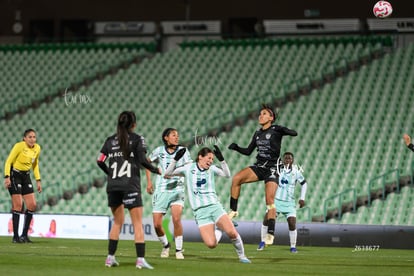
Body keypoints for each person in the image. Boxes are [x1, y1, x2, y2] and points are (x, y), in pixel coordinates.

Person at [164, 145, 251, 264]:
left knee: (232, 233)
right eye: (209, 158)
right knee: (211, 244)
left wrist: (222, 160)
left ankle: (242, 256)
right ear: (200, 157)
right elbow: (168, 173)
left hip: (214, 206)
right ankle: (219, 228)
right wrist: (175, 159)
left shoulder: (212, 169)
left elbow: (227, 175)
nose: (210, 161)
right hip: (200, 212)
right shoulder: (188, 168)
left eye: (212, 159)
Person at [97, 111, 161, 269]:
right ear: (134, 124)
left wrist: (110, 174)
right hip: (130, 185)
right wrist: (155, 170)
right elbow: (141, 160)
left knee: (117, 223)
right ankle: (140, 260)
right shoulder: (137, 139)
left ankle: (110, 257)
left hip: (113, 186)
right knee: (137, 223)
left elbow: (100, 160)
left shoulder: (110, 140)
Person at [227, 104, 297, 246]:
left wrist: (285, 130)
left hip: (272, 168)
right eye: (260, 113)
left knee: (270, 201)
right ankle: (233, 210)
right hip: (259, 167)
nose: (261, 115)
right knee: (236, 179)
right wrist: (236, 148)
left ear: (271, 118)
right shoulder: (257, 134)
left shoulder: (276, 130)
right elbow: (248, 151)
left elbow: (294, 133)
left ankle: (270, 234)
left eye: (264, 113)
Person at [145, 128, 192, 259]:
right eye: (173, 135)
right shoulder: (159, 151)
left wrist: (178, 173)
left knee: (176, 219)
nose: (177, 137)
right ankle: (166, 246)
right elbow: (147, 163)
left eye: (177, 135)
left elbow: (189, 168)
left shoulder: (183, 151)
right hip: (161, 190)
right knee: (157, 224)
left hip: (178, 188)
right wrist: (149, 182)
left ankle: (178, 250)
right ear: (166, 138)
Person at [257, 152, 307, 253]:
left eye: (289, 158)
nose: (287, 160)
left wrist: (302, 198)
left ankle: (293, 247)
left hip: (289, 203)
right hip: (276, 201)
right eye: (286, 158)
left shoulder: (296, 172)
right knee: (267, 219)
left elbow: (304, 183)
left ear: (292, 161)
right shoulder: (278, 170)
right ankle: (262, 242)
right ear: (283, 160)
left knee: (292, 223)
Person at [4, 129, 42, 243]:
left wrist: (38, 180)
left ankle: (24, 235)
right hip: (15, 175)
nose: (32, 139)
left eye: (34, 137)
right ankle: (15, 237)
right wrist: (7, 177)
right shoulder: (19, 146)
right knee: (18, 205)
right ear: (24, 138)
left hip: (26, 176)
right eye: (29, 137)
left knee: (32, 205)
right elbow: (8, 161)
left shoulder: (37, 148)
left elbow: (35, 165)